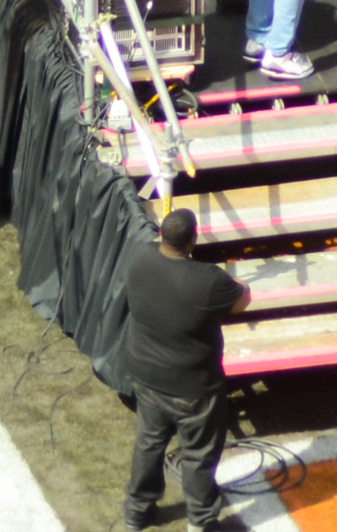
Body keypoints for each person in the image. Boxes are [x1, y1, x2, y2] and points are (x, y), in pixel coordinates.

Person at [122, 206, 246, 532]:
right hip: (193, 389)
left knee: (149, 442)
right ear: (193, 240)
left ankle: (137, 512)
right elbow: (242, 299)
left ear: (162, 235)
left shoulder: (139, 257)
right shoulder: (208, 280)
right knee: (198, 456)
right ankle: (201, 523)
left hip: (146, 376)